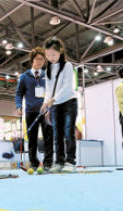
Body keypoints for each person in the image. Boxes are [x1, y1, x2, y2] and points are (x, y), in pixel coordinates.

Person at [40, 37, 77, 173]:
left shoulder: (67, 66)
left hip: (69, 103)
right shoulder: (48, 68)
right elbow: (49, 88)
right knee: (57, 135)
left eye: (53, 55)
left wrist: (53, 99)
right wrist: (46, 102)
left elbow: (67, 87)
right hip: (55, 105)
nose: (51, 58)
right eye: (48, 55)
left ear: (60, 52)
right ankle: (59, 162)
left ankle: (70, 162)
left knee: (68, 133)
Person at [15, 46, 53, 172]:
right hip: (30, 111)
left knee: (48, 137)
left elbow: (51, 92)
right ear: (32, 59)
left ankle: (48, 163)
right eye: (37, 59)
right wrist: (19, 106)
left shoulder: (47, 76)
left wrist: (50, 106)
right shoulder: (24, 77)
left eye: (42, 59)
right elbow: (19, 93)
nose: (40, 61)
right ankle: (34, 162)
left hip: (46, 111)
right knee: (32, 139)